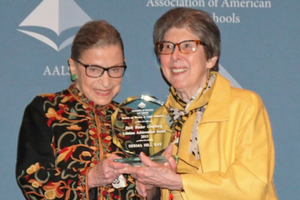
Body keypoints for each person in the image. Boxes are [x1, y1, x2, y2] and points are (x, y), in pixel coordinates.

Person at [126, 7, 279, 200]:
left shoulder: (245, 106)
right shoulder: (159, 118)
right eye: (167, 47)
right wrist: (151, 188)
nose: (175, 56)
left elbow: (251, 185)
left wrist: (179, 182)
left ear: (211, 57)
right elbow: (165, 189)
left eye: (187, 46)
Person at [16, 20, 144, 200]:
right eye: (94, 69)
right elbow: (32, 180)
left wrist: (152, 187)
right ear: (73, 66)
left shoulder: (132, 120)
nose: (106, 82)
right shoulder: (46, 110)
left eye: (115, 69)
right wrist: (90, 179)